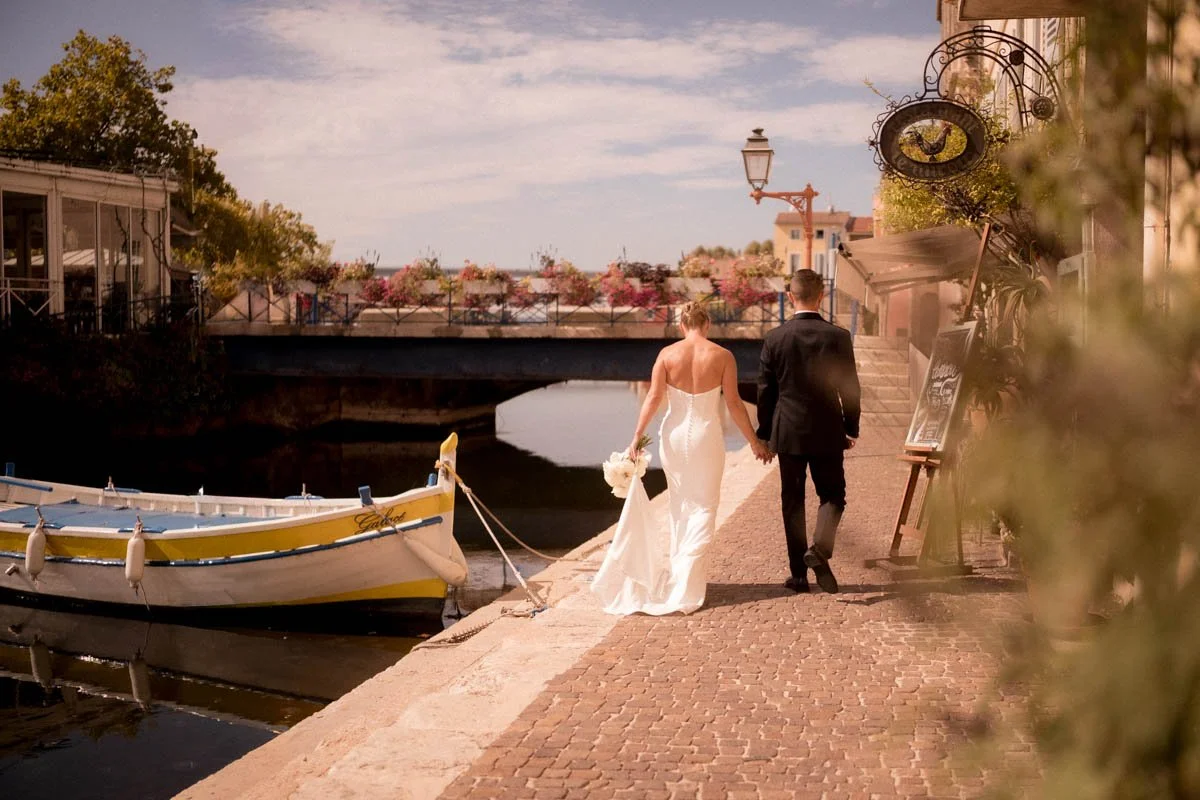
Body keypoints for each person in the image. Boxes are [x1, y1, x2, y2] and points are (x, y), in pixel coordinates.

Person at [591, 301, 770, 615]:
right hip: (705, 436)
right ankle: (686, 577)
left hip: (673, 437)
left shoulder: (666, 355)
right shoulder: (723, 356)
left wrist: (636, 436)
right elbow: (734, 404)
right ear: (707, 324)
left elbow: (654, 397)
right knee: (704, 505)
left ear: (681, 325)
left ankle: (679, 574)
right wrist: (753, 441)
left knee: (679, 505)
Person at [756, 269, 861, 594]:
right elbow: (851, 387)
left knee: (792, 501)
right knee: (832, 495)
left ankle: (798, 576)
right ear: (821, 296)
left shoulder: (775, 338)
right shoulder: (838, 336)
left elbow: (765, 391)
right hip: (828, 430)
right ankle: (819, 549)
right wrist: (850, 426)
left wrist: (764, 433)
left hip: (788, 431)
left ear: (790, 297)